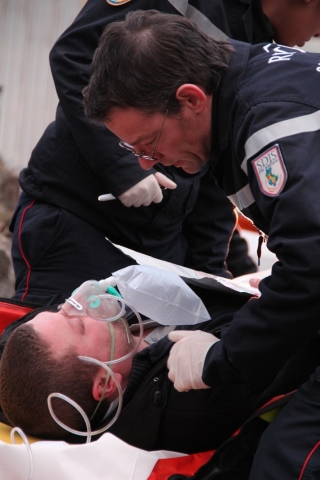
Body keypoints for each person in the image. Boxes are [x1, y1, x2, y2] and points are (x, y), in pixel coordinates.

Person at [82, 9, 320, 474]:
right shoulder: (258, 90)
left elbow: (313, 260)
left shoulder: (267, 125)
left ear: (190, 99)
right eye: (135, 154)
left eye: (149, 143)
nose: (149, 163)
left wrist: (224, 357)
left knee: (288, 459)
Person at [14, 0, 320, 306]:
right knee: (58, 338)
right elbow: (75, 56)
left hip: (166, 240)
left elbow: (217, 167)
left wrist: (210, 269)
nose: (318, 31)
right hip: (79, 218)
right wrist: (122, 164)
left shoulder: (260, 60)